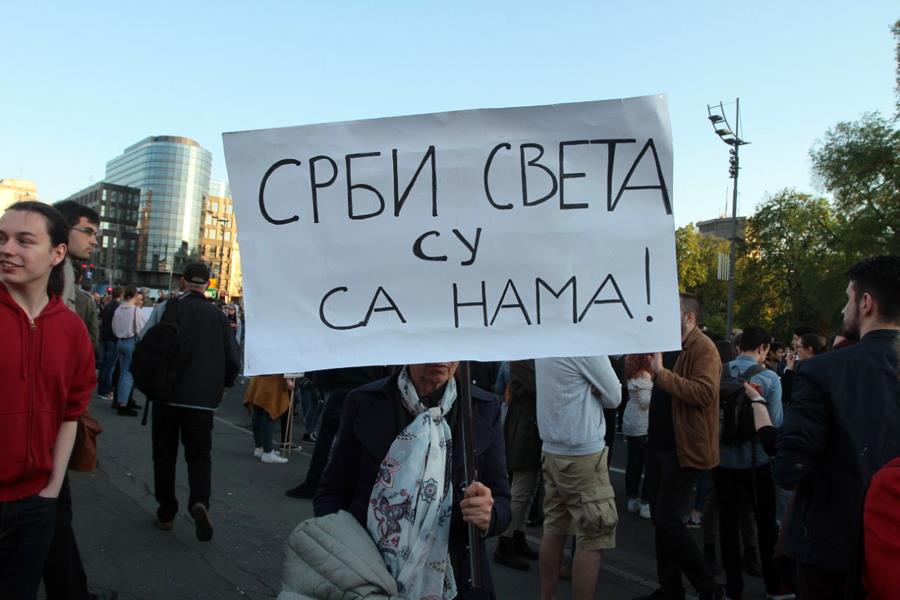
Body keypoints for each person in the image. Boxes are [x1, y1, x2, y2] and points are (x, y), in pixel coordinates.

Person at [315, 363, 511, 599]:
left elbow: (502, 503)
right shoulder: (363, 401)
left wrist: (488, 515)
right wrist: (345, 553)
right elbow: (331, 494)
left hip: (457, 578)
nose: (443, 358)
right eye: (432, 344)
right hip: (368, 576)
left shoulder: (482, 407)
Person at [774, 255, 900, 599]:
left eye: (848, 298)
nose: (845, 310)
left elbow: (789, 469)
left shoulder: (824, 371)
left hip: (832, 550)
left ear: (866, 303)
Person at [0, 201, 95, 600]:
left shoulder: (72, 329)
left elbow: (71, 414)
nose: (7, 249)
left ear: (57, 253)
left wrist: (52, 489)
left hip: (37, 506)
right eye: (2, 238)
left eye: (24, 240)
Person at [142, 262, 241, 542]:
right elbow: (233, 358)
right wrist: (223, 383)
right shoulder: (218, 315)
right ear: (207, 284)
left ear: (183, 282)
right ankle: (199, 501)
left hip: (167, 395)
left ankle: (166, 510)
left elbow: (145, 340)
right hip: (202, 401)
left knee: (164, 455)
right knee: (199, 455)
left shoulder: (167, 308)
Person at [639, 293, 724, 600]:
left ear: (689, 317)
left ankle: (708, 586)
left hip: (683, 448)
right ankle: (670, 588)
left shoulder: (704, 348)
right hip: (661, 444)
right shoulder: (670, 345)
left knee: (668, 520)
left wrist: (662, 374)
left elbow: (704, 393)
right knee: (662, 523)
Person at [535, 356, 622, 600]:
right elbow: (614, 397)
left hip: (552, 448)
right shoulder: (584, 345)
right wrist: (592, 388)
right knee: (594, 536)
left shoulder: (546, 341)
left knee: (554, 527)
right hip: (583, 453)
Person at [716, 325, 785, 600]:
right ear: (763, 348)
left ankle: (734, 589)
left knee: (728, 527)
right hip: (757, 462)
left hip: (722, 461)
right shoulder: (769, 378)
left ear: (739, 344)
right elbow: (776, 423)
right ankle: (773, 586)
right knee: (765, 526)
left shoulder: (720, 370)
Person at [285, 366, 391, 499]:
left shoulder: (342, 348)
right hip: (370, 396)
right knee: (364, 443)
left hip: (343, 394)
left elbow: (323, 377)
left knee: (326, 441)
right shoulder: (377, 351)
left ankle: (314, 482)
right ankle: (359, 486)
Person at [493, 359, 541, 571]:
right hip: (524, 427)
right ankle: (506, 542)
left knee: (529, 488)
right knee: (521, 488)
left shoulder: (529, 357)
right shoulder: (521, 359)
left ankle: (517, 536)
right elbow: (540, 386)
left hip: (530, 426)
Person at [623, 353, 654, 519]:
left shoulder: (631, 372)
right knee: (649, 464)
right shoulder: (645, 375)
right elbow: (644, 401)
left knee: (633, 462)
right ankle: (645, 503)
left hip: (630, 421)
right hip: (643, 423)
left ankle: (632, 498)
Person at [243, 374, 294, 464]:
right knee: (269, 412)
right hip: (272, 379)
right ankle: (267, 452)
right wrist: (288, 378)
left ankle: (260, 447)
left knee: (259, 410)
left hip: (259, 377)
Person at [111, 286, 145, 416]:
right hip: (131, 341)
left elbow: (113, 327)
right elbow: (141, 328)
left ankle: (120, 401)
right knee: (128, 374)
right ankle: (123, 403)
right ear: (135, 295)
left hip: (119, 341)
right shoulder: (136, 310)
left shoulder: (118, 309)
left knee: (121, 373)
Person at [97, 286, 123, 400]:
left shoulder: (108, 306)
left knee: (104, 365)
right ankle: (105, 391)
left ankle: (102, 389)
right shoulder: (117, 308)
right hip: (113, 338)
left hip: (105, 337)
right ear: (121, 294)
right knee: (108, 366)